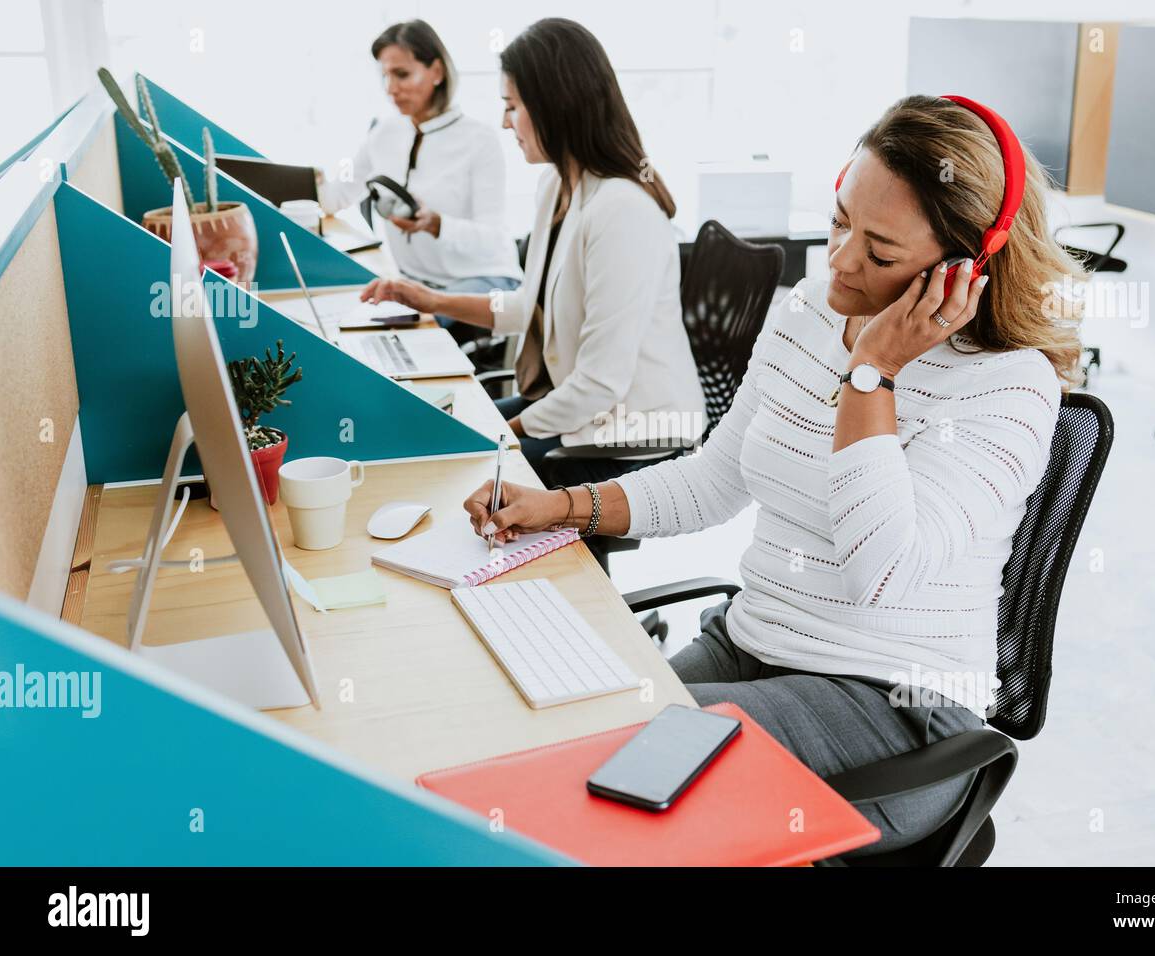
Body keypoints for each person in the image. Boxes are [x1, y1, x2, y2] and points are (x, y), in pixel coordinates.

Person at [460, 94, 1085, 855]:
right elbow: (715, 480)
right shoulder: (808, 312)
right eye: (839, 220)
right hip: (755, 646)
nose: (841, 261)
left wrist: (873, 374)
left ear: (966, 269)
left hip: (895, 717)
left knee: (607, 772)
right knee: (563, 723)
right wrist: (559, 505)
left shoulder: (1008, 387)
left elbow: (879, 572)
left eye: (881, 252)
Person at [360, 18, 707, 484]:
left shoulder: (622, 212)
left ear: (553, 108)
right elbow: (532, 305)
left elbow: (601, 384)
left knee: (471, 467)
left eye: (512, 106)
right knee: (441, 435)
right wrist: (433, 300)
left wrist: (501, 434)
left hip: (637, 427)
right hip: (582, 406)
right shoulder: (557, 186)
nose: (505, 122)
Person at [317, 19, 521, 338]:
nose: (390, 88)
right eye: (385, 75)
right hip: (417, 280)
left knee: (403, 333)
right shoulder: (384, 133)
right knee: (357, 321)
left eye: (402, 74)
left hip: (481, 280)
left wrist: (437, 223)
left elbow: (494, 239)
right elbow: (334, 199)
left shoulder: (479, 140)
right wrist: (306, 180)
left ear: (437, 72)